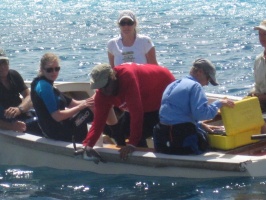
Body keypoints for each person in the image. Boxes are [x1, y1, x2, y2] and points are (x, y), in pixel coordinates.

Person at [83, 62, 175, 160]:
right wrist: (88, 145)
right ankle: (140, 156)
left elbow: (137, 113)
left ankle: (152, 157)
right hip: (144, 99)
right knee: (124, 131)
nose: (103, 91)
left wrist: (132, 144)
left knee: (154, 131)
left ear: (113, 77)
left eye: (105, 86)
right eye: (99, 87)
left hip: (164, 90)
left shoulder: (127, 77)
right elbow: (98, 121)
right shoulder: (102, 93)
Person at [153, 58, 235, 155]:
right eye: (208, 78)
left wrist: (199, 124)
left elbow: (174, 114)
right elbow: (202, 114)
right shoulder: (195, 86)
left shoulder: (173, 84)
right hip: (180, 135)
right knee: (205, 141)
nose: (207, 83)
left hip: (161, 134)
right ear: (199, 72)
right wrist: (219, 103)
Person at [30, 53, 94, 142]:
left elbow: (73, 103)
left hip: (62, 125)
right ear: (42, 70)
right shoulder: (44, 87)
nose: (54, 72)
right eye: (50, 70)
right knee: (90, 110)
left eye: (57, 69)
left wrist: (94, 99)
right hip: (58, 132)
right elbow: (57, 116)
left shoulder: (49, 84)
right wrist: (81, 107)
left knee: (93, 105)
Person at [0, 48, 41, 135]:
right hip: (6, 122)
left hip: (22, 114)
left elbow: (29, 96)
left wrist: (20, 109)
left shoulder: (13, 75)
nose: (2, 67)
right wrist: (11, 126)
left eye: (4, 62)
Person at [248, 20, 266, 112]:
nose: (262, 38)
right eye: (260, 34)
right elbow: (257, 86)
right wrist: (253, 94)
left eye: (265, 34)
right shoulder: (258, 60)